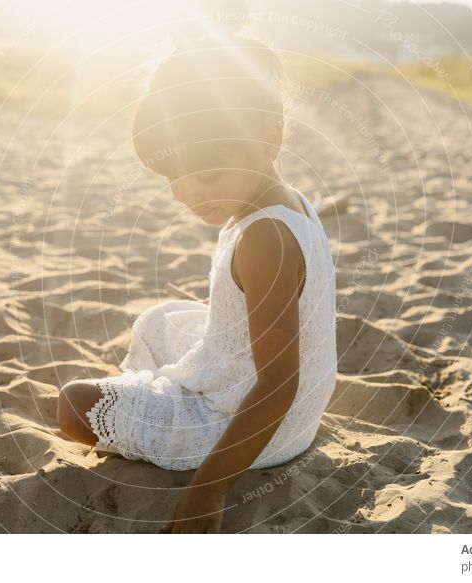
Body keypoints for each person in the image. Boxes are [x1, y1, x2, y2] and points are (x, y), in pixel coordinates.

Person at [56, 18, 337, 534]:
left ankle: (180, 427)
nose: (186, 192)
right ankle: (164, 396)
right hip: (271, 391)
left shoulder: (265, 238)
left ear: (269, 139)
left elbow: (278, 381)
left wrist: (208, 492)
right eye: (172, 175)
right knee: (160, 320)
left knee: (76, 405)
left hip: (270, 424)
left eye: (206, 173)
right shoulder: (282, 200)